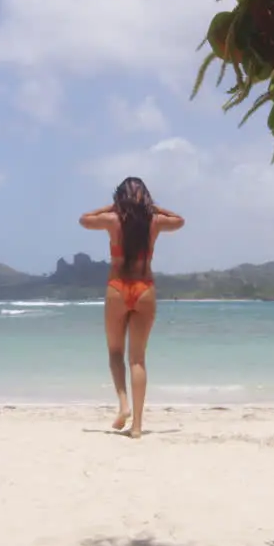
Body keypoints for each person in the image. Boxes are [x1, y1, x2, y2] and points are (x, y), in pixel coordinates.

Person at [79, 177, 184, 438]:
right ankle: (137, 426)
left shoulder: (112, 220)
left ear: (120, 197)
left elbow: (84, 219)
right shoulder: (155, 222)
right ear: (146, 196)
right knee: (137, 359)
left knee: (115, 352)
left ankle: (123, 405)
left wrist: (113, 207)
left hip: (117, 288)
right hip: (144, 289)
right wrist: (155, 210)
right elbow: (180, 221)